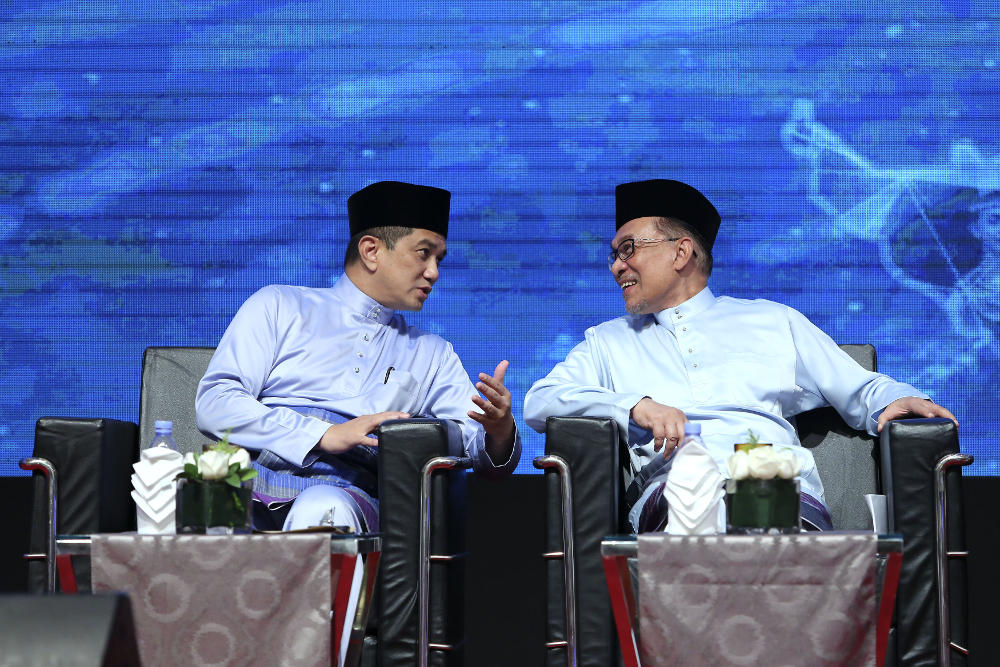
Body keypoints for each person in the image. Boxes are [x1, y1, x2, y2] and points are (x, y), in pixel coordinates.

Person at [196, 181, 520, 664]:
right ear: (371, 250)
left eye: (440, 259)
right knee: (197, 506)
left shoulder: (430, 352)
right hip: (245, 485)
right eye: (423, 253)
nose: (433, 272)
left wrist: (497, 429)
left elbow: (474, 443)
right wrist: (322, 433)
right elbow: (215, 402)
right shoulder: (280, 305)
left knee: (322, 508)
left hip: (346, 495)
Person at [523, 179, 957, 534]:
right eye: (615, 255)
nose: (617, 267)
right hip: (676, 488)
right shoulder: (608, 342)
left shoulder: (772, 320)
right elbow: (541, 400)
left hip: (766, 474)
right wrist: (634, 405)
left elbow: (862, 389)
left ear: (681, 252)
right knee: (691, 488)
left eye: (629, 249)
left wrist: (894, 398)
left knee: (760, 478)